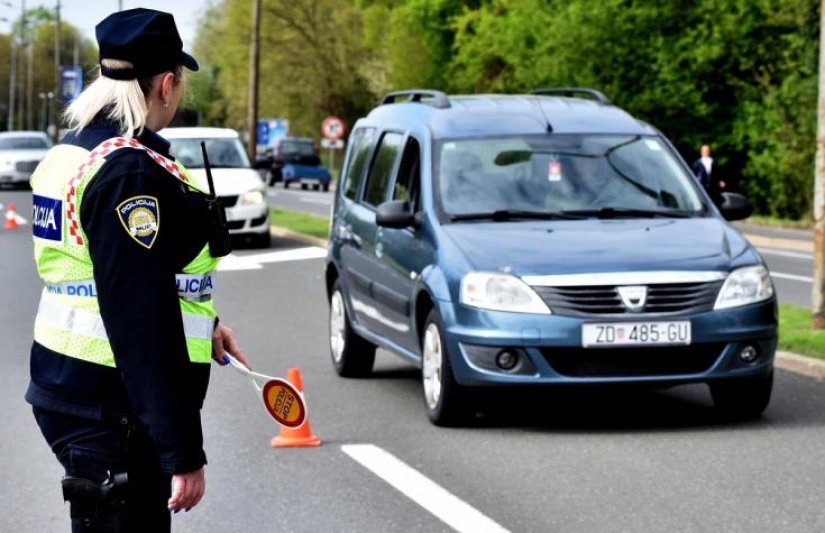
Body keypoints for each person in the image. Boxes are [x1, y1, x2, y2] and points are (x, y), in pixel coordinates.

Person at [26, 8, 249, 532]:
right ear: (167, 84)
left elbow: (98, 275)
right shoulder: (129, 174)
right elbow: (140, 317)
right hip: (112, 409)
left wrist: (205, 326)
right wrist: (183, 452)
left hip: (76, 392)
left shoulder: (76, 154)